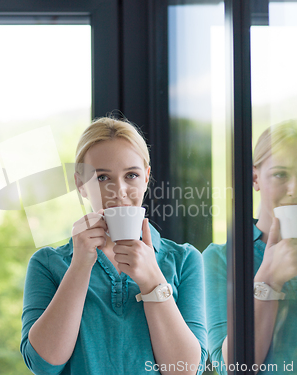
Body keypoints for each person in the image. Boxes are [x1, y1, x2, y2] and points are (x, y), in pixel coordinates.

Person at [20, 117, 207, 375]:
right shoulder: (47, 264)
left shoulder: (185, 260)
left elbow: (186, 370)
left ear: (146, 177)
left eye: (131, 175)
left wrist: (153, 281)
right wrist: (79, 266)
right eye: (102, 177)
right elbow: (43, 364)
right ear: (80, 185)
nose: (118, 190)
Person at [204, 119, 297, 375]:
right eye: (280, 174)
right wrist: (268, 280)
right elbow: (230, 367)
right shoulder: (222, 259)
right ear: (255, 177)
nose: (296, 189)